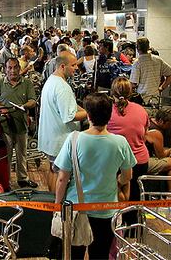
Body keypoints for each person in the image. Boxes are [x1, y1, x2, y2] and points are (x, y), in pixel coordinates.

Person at [54, 93, 136, 260]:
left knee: (73, 254)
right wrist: (117, 182)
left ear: (89, 115)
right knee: (100, 254)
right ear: (109, 115)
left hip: (76, 208)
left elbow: (62, 178)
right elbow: (127, 176)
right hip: (106, 210)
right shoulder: (120, 142)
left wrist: (57, 205)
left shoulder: (74, 139)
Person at [38, 51, 87, 192]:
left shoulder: (52, 81)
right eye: (73, 65)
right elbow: (69, 116)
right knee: (60, 176)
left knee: (53, 170)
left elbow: (69, 104)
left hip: (51, 137)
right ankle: (57, 206)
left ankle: (53, 203)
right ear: (62, 66)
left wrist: (83, 108)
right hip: (60, 139)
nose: (76, 68)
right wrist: (89, 113)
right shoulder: (62, 87)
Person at [0, 57, 38, 188]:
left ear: (19, 68)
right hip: (4, 126)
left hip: (21, 124)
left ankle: (22, 179)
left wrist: (24, 105)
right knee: (6, 155)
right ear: (5, 69)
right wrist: (3, 109)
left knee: (21, 153)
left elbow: (33, 100)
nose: (13, 71)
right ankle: (5, 181)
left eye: (15, 67)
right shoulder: (0, 83)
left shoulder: (27, 83)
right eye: (9, 68)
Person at [107, 77, 150, 206]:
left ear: (112, 92)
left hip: (114, 163)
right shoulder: (141, 110)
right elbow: (144, 136)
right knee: (135, 200)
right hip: (139, 162)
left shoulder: (106, 111)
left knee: (115, 200)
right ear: (130, 93)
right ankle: (134, 224)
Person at [146, 108, 171, 191]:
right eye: (169, 124)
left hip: (142, 156)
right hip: (144, 160)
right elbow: (161, 155)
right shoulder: (155, 132)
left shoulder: (148, 122)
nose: (170, 127)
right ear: (161, 121)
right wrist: (169, 151)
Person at [130, 37, 171, 103]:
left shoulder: (137, 62)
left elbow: (133, 84)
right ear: (148, 46)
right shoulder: (158, 60)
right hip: (155, 98)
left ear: (137, 48)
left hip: (142, 99)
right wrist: (162, 88)